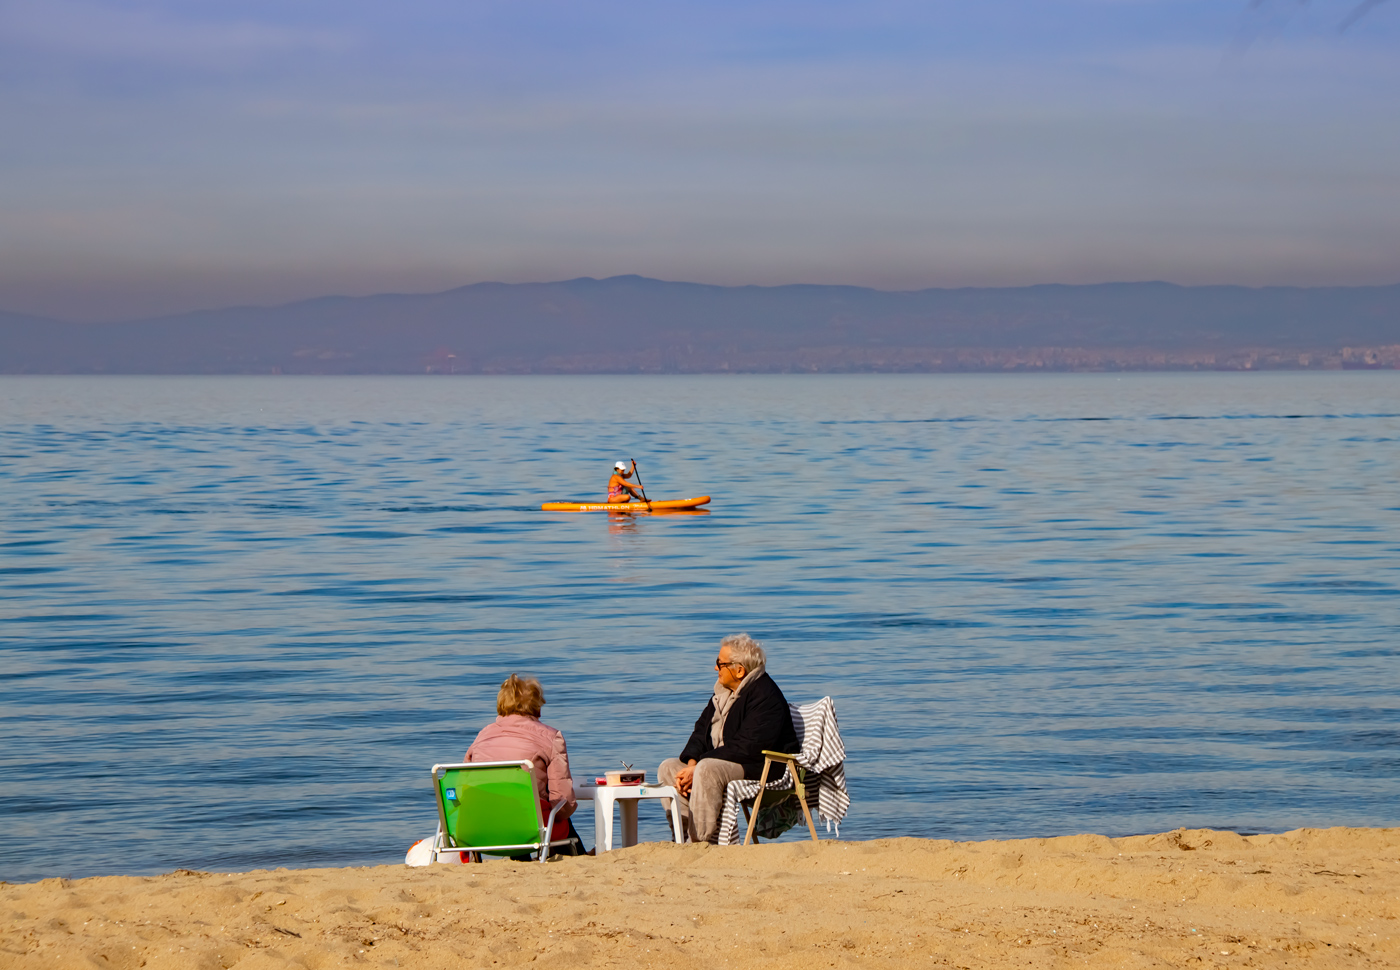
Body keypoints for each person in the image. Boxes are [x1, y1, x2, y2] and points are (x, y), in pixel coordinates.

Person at [658, 633, 799, 844]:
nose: (715, 668)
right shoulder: (723, 694)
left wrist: (699, 767)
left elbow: (748, 747)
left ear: (739, 670)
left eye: (720, 663)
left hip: (763, 767)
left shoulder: (765, 695)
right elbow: (700, 732)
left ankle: (699, 841)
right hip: (725, 760)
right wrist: (692, 763)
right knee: (668, 767)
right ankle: (681, 838)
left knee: (707, 770)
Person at [464, 674, 586, 857]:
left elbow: (466, 786)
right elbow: (563, 800)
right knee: (555, 814)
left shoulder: (482, 736)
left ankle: (523, 858)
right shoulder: (551, 737)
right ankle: (578, 857)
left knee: (512, 804)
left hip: (480, 827)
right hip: (527, 828)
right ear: (537, 706)